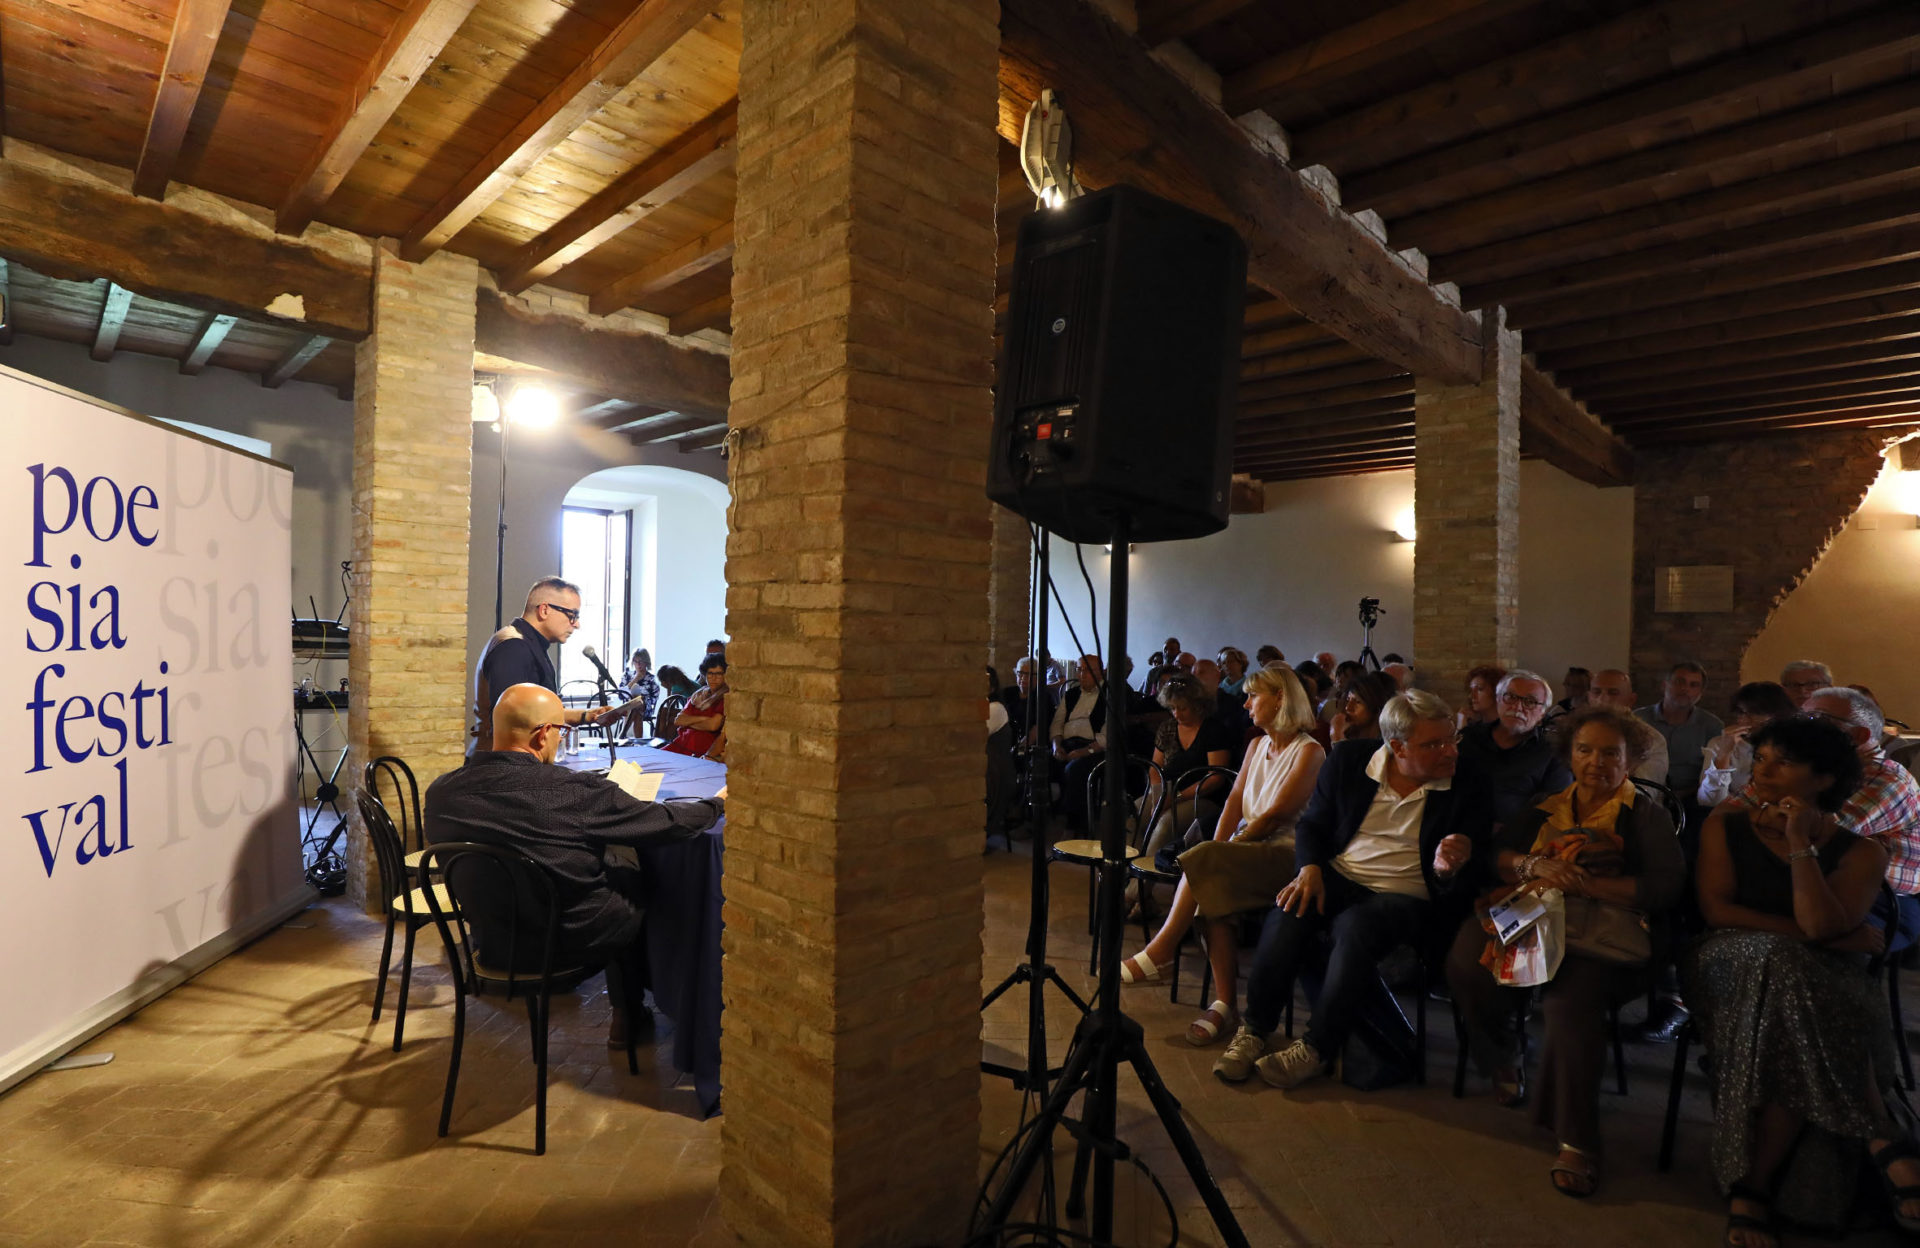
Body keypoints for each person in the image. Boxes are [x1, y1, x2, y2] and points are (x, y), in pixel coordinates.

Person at [1685, 716, 1920, 1244]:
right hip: (1725, 961)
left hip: (1811, 986)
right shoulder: (1725, 824)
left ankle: (1753, 1187)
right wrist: (1829, 940)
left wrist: (1798, 843)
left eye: (1782, 762)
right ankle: (1882, 1133)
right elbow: (1719, 911)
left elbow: (1817, 923)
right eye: (1761, 757)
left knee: (1788, 1006)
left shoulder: (1864, 852)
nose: (1762, 770)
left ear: (1822, 779)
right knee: (1788, 964)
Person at [1446, 704, 1684, 1197]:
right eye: (1584, 750)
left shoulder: (1646, 816)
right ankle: (1504, 1056)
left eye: (1610, 753)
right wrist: (1535, 865)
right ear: (1569, 756)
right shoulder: (1545, 805)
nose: (1596, 762)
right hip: (1539, 919)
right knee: (1468, 962)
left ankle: (1577, 1138)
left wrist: (1589, 885)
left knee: (1568, 1005)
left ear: (1631, 760)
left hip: (1601, 938)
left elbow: (1665, 891)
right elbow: (1498, 858)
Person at [1213, 690, 1492, 1089]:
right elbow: (1312, 826)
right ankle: (1254, 1030)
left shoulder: (1469, 779)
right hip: (1341, 876)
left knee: (1357, 927)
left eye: (1452, 738)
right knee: (1290, 910)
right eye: (1434, 744)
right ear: (1396, 746)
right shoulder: (1349, 761)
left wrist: (1450, 868)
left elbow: (1477, 856)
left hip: (1410, 893)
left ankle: (1317, 1047)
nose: (1450, 751)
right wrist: (1309, 868)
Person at [424, 684, 725, 1046]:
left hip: (491, 939)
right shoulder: (571, 791)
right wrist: (717, 804)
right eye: (562, 730)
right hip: (567, 940)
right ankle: (629, 1013)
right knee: (628, 871)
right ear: (544, 734)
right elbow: (667, 823)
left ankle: (627, 1015)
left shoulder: (442, 791)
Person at [1120, 665, 1324, 1046]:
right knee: (1213, 892)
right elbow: (1233, 801)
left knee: (1208, 864)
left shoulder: (1310, 751)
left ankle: (1162, 951)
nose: (1245, 704)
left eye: (1254, 696)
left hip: (1285, 856)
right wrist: (1221, 843)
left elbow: (1274, 817)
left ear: (1280, 698)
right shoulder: (1256, 745)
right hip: (1247, 850)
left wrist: (1223, 849)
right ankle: (1224, 1005)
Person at [1804, 685, 1920, 948]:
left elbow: (1816, 835)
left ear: (1858, 735)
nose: (1801, 729)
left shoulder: (1888, 780)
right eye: (1802, 718)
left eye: (1817, 720)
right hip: (1824, 885)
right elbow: (1734, 808)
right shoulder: (1819, 769)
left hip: (1883, 904)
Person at [470, 577, 620, 746]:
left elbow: (537, 713)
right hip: (503, 766)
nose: (576, 624)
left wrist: (589, 716)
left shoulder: (528, 644)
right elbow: (514, 720)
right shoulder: (513, 647)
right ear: (544, 610)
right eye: (572, 615)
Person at [1131, 674, 1236, 889]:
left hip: (1201, 797)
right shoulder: (1167, 728)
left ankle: (1137, 891)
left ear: (1198, 705)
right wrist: (1158, 796)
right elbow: (1155, 768)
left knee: (1165, 824)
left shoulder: (1214, 730)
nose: (1176, 714)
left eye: (1182, 708)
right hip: (1167, 792)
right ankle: (1129, 873)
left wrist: (1175, 798)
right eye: (1172, 708)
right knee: (1132, 815)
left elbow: (1215, 778)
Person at [1457, 670, 1571, 832]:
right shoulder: (1468, 740)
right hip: (1461, 834)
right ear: (1498, 700)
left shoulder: (1552, 753)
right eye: (1510, 697)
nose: (1517, 707)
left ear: (1542, 713)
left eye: (1530, 702)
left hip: (1518, 840)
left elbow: (1556, 809)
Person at [1637, 662, 1724, 836]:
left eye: (1693, 685)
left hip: (1691, 799)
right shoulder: (1638, 720)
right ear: (1665, 685)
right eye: (1679, 682)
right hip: (1645, 794)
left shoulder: (1712, 726)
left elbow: (1713, 770)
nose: (1685, 689)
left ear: (1700, 693)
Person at [1697, 682, 1796, 808]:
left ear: (1777, 715)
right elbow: (1708, 802)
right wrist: (1723, 756)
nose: (1743, 719)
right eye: (1741, 712)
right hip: (1735, 819)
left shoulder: (1792, 746)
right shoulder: (1720, 743)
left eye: (1754, 713)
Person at [1051, 655, 1109, 832]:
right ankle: (1045, 815)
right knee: (1039, 762)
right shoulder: (1071, 694)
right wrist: (1056, 746)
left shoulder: (1109, 696)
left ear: (1101, 673)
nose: (1082, 675)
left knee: (1074, 770)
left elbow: (1108, 734)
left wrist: (1085, 751)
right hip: (1067, 744)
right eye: (1079, 669)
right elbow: (1057, 724)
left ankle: (1075, 825)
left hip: (1094, 748)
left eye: (1087, 670)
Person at [1588, 668, 1667, 783]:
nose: (1602, 699)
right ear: (1589, 697)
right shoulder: (1576, 733)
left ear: (1631, 700)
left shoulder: (1651, 740)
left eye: (1613, 693)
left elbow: (1644, 791)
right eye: (1596, 692)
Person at [663, 654, 728, 757]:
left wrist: (688, 722)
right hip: (681, 743)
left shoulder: (725, 697)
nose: (713, 678)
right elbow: (678, 720)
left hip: (701, 749)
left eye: (719, 674)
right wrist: (703, 718)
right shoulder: (699, 695)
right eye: (710, 673)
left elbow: (713, 725)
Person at [1327, 671, 1396, 744]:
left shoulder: (1385, 745)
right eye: (1348, 699)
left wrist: (1337, 738)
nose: (1348, 707)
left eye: (1357, 702)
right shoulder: (1347, 735)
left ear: (1375, 707)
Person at [616, 648, 663, 736]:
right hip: (628, 707)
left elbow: (654, 699)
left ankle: (622, 735)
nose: (638, 664)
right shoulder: (627, 675)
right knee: (635, 709)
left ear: (646, 662)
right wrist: (635, 679)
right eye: (635, 661)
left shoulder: (652, 679)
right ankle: (639, 742)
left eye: (641, 661)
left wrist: (643, 699)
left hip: (646, 708)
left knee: (637, 704)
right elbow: (621, 695)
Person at [1457, 664, 1505, 732]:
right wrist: (1461, 725)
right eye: (1471, 690)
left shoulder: (1508, 729)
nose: (1471, 696)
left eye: (1480, 689)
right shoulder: (1472, 726)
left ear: (1496, 691)